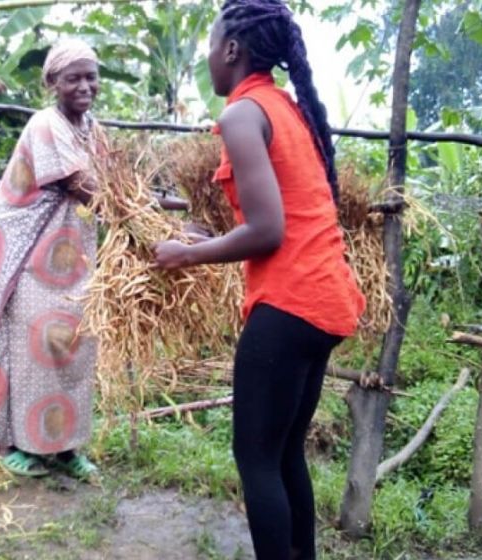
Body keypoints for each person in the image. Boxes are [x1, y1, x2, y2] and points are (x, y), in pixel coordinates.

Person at [153, 1, 366, 559]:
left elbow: (268, 231)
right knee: (284, 452)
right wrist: (206, 239)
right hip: (325, 301)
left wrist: (183, 256)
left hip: (289, 304)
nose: (207, 58)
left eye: (210, 45)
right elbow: (282, 216)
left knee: (256, 460)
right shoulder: (282, 107)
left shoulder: (241, 114)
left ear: (231, 49)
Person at [0, 38, 106, 481]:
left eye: (91, 76)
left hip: (68, 247)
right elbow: (84, 186)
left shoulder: (93, 127)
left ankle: (65, 445)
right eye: (73, 78)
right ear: (52, 82)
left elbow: (117, 181)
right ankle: (18, 443)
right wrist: (153, 223)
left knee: (73, 344)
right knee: (32, 341)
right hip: (23, 246)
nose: (85, 86)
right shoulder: (44, 125)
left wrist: (164, 208)